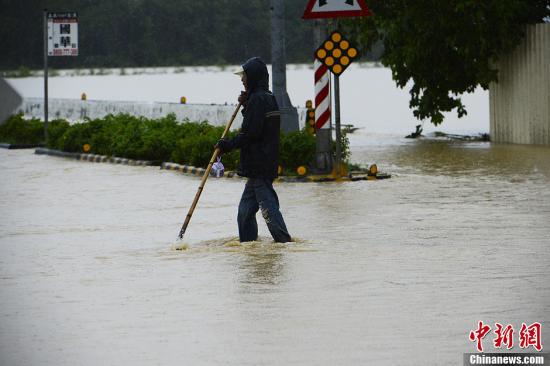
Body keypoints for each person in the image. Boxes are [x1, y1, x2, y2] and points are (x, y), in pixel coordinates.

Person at [216, 57, 291, 243]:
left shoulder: (258, 100)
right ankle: (248, 246)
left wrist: (227, 145)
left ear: (254, 77)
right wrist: (247, 103)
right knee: (244, 212)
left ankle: (284, 244)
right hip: (261, 164)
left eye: (245, 76)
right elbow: (258, 125)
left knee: (268, 210)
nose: (242, 80)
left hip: (260, 164)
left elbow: (250, 134)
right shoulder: (266, 98)